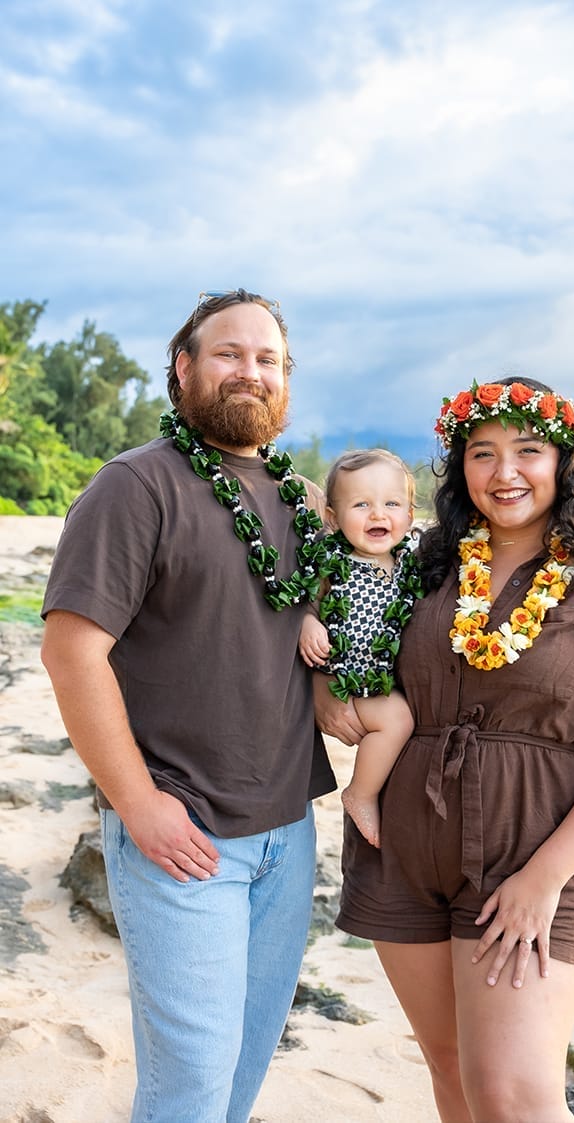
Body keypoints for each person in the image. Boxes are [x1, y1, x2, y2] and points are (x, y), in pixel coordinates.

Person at [317, 377, 574, 1123]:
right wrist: (326, 694)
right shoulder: (426, 561)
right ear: (460, 467)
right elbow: (341, 622)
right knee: (453, 1071)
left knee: (515, 1097)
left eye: (528, 450)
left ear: (566, 459)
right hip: (405, 844)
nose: (504, 472)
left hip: (535, 849)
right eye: (482, 453)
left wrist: (544, 878)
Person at [40, 289, 336, 1123]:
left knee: (238, 1076)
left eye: (268, 358)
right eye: (228, 353)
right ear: (184, 368)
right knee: (190, 1089)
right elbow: (72, 652)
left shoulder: (306, 502)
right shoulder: (134, 487)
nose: (251, 370)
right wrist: (139, 806)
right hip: (183, 834)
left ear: (285, 380)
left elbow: (334, 627)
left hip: (288, 833)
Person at [299, 449, 423, 848]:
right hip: (347, 681)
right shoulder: (333, 563)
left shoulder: (411, 566)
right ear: (333, 518)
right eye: (361, 505)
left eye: (391, 504)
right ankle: (361, 793)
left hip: (383, 676)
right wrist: (306, 623)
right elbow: (302, 602)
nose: (378, 515)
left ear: (409, 514)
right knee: (398, 720)